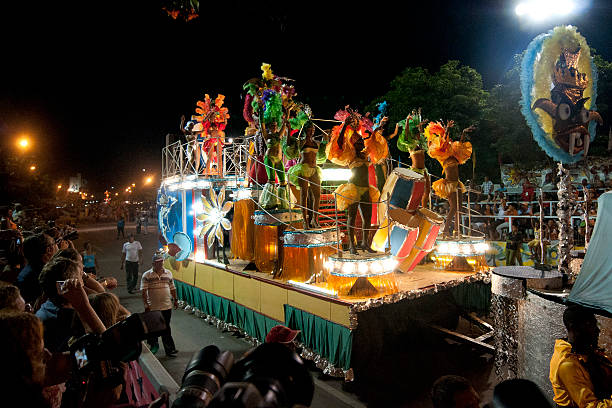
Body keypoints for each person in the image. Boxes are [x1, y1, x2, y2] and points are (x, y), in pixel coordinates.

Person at [550, 305, 612, 407]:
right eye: (590, 325)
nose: (597, 330)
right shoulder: (567, 365)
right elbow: (590, 405)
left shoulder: (585, 350)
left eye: (595, 325)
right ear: (573, 327)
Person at [140, 251, 178, 357]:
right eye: (158, 262)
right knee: (153, 328)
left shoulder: (168, 273)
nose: (160, 264)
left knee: (166, 327)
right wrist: (146, 304)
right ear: (153, 264)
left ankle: (169, 349)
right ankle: (153, 346)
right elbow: (143, 291)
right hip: (153, 307)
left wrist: (175, 299)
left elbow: (172, 288)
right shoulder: (147, 275)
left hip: (166, 306)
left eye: (161, 261)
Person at [17, 233, 58, 305]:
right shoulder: (47, 275)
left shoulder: (28, 270)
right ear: (49, 250)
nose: (57, 245)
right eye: (54, 243)